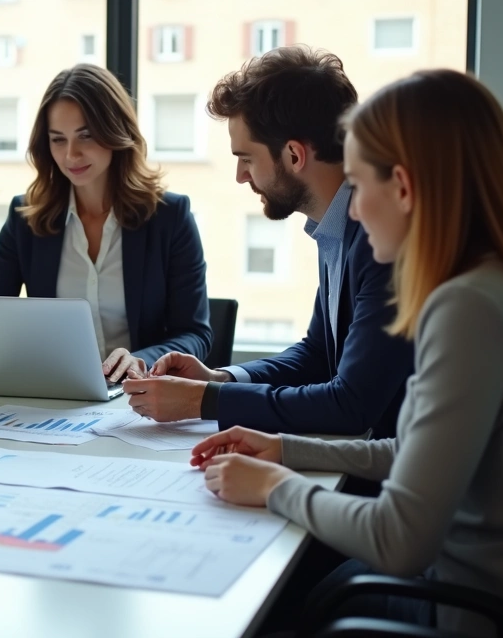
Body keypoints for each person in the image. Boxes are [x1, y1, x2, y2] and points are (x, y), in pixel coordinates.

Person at [191, 69, 503, 635]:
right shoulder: (500, 285)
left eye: (359, 181)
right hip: (467, 586)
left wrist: (272, 486)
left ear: (402, 187)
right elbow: (416, 449)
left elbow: (397, 540)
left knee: (269, 606)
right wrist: (282, 449)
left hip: (462, 609)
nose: (350, 210)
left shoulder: (469, 309)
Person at [124, 46, 413, 440]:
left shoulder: (379, 240)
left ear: (294, 155)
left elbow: (351, 405)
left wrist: (200, 402)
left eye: (246, 158)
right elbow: (317, 354)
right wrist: (219, 379)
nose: (241, 176)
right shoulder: (336, 225)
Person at [0, 64, 211, 383]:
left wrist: (140, 360)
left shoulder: (170, 217)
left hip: (139, 400)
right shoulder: (26, 217)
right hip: (55, 395)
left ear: (117, 132)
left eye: (86, 136)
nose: (71, 155)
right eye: (58, 140)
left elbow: (195, 334)